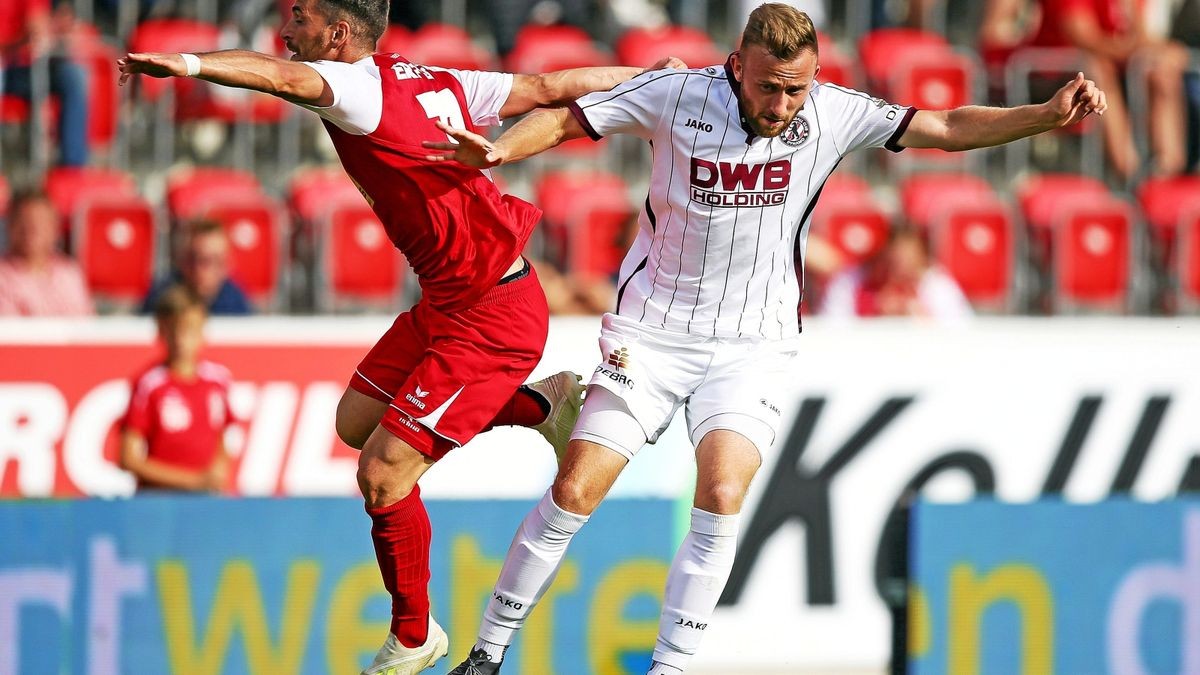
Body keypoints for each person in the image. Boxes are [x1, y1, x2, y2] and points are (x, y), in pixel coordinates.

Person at [425, 3, 1107, 673]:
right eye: (768, 86)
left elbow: (951, 124)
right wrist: (500, 148)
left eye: (795, 88)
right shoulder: (676, 94)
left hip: (753, 345)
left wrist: (1043, 115)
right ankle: (487, 653)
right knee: (576, 488)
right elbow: (568, 118)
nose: (782, 104)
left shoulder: (832, 111)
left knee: (721, 492)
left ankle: (671, 667)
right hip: (652, 335)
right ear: (736, 66)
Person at [118, 3, 681, 673]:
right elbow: (546, 87)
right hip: (450, 303)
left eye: (298, 17)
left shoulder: (354, 86)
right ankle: (542, 406)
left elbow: (277, 78)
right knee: (356, 421)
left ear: (338, 34)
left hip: (494, 319)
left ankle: (413, 634)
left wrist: (186, 64)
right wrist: (647, 75)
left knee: (383, 474)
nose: (286, 30)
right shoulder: (422, 77)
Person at [1022, 0, 1188, 178]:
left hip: (1111, 67)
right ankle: (1128, 171)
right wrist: (1137, 50)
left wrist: (1164, 51)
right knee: (1098, 71)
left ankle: (1167, 170)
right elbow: (1083, 38)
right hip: (1051, 72)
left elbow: (1140, 37)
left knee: (1162, 71)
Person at [119, 285, 233, 493]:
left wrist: (217, 471)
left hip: (204, 501)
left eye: (190, 330)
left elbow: (221, 436)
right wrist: (193, 482)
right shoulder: (149, 384)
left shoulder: (218, 381)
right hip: (160, 503)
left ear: (202, 331)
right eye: (174, 330)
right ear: (162, 331)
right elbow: (129, 458)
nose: (181, 340)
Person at [0, 0, 91, 167]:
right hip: (5, 64)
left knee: (73, 75)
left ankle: (71, 170)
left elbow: (38, 23)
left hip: (27, 68)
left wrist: (52, 34)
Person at [820, 227, 973, 321]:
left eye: (907, 262)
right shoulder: (850, 282)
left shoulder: (938, 285)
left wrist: (917, 317)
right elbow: (832, 328)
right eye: (894, 261)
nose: (898, 271)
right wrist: (873, 311)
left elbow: (960, 333)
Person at [0, 190, 94, 316]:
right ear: (10, 225)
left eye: (41, 222)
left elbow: (86, 325)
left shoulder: (69, 274)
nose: (32, 229)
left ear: (54, 227)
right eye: (24, 221)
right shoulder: (3, 277)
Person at [140, 219, 254, 315]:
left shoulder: (236, 304)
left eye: (216, 260)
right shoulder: (161, 299)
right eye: (197, 259)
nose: (203, 269)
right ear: (182, 261)